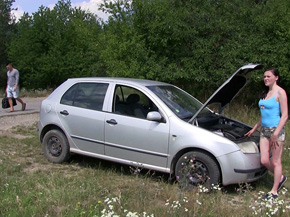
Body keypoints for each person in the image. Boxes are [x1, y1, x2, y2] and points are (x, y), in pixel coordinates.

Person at [245, 67, 288, 200]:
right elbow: (263, 115)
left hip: (276, 131)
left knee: (275, 161)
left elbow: (285, 115)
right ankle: (280, 177)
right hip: (264, 130)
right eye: (264, 76)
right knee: (264, 160)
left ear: (276, 77)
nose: (266, 78)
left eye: (268, 76)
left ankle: (274, 191)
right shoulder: (265, 93)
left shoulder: (280, 92)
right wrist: (254, 128)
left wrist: (276, 133)